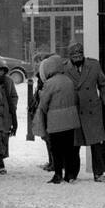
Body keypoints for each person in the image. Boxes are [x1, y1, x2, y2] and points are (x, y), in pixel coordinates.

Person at [63, 43, 105, 182]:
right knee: (74, 145)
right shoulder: (64, 68)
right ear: (70, 57)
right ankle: (71, 174)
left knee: (97, 143)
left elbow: (104, 85)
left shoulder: (94, 65)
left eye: (79, 55)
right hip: (74, 110)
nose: (77, 57)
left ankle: (98, 173)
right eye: (74, 56)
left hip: (92, 110)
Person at [33, 55, 80, 183]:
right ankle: (70, 174)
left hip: (55, 122)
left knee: (56, 149)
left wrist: (41, 95)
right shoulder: (69, 80)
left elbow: (43, 103)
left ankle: (58, 174)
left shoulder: (50, 83)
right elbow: (76, 99)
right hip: (71, 120)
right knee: (70, 149)